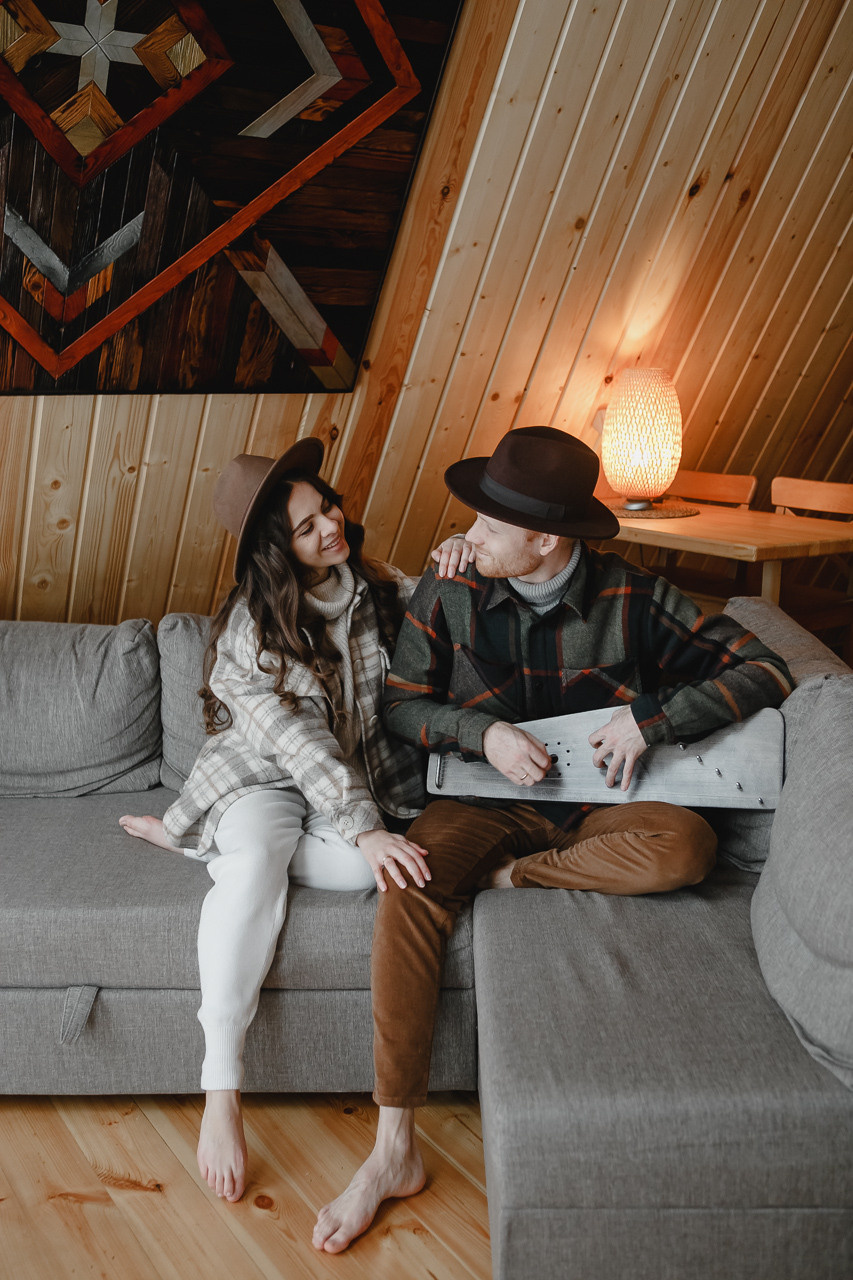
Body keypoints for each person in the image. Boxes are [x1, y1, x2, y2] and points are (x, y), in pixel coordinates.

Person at [312, 425, 794, 1253]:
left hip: (601, 808)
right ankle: (393, 1150)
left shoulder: (634, 596)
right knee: (410, 885)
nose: (470, 533)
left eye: (492, 523)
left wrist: (656, 718)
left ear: (546, 539)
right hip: (482, 796)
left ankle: (509, 880)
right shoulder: (450, 585)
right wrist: (478, 734)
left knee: (685, 852)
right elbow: (400, 705)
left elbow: (765, 668)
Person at [120, 437, 443, 1205]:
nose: (330, 525)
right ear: (276, 550)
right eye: (305, 527)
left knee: (381, 868)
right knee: (258, 866)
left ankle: (192, 838)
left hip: (345, 785)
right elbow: (299, 744)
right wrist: (361, 821)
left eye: (325, 506)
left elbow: (434, 619)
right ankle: (221, 1094)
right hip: (261, 780)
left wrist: (454, 556)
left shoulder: (367, 587)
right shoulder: (246, 631)